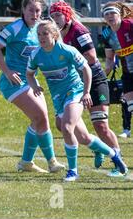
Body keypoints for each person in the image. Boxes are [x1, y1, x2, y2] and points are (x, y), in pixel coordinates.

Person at [26, 20, 128, 181]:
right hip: (58, 97)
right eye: (39, 34)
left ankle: (73, 171)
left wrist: (86, 92)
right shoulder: (36, 55)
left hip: (75, 91)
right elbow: (30, 74)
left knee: (66, 127)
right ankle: (113, 154)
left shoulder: (67, 51)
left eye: (45, 33)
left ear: (54, 34)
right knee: (83, 137)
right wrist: (35, 86)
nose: (41, 37)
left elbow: (86, 69)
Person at [0, 0, 65, 174]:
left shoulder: (40, 28)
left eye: (38, 10)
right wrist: (7, 71)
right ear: (23, 10)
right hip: (13, 82)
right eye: (31, 10)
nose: (35, 13)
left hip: (30, 80)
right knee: (40, 116)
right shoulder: (15, 28)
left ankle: (26, 162)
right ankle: (52, 162)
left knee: (40, 119)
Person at [50, 1, 125, 176]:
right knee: (62, 124)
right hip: (73, 83)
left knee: (100, 125)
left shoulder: (79, 31)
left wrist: (70, 60)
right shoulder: (57, 34)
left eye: (58, 15)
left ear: (67, 15)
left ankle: (118, 160)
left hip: (94, 79)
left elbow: (91, 58)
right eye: (52, 17)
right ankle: (96, 146)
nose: (55, 20)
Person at [102, 2, 133, 139]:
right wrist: (102, 76)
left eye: (112, 13)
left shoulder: (130, 25)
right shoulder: (107, 33)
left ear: (119, 14)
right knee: (128, 102)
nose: (110, 16)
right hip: (127, 72)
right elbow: (109, 58)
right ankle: (127, 130)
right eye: (106, 14)